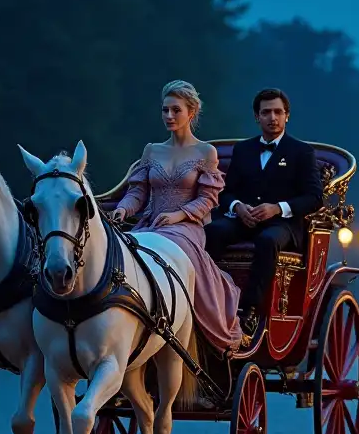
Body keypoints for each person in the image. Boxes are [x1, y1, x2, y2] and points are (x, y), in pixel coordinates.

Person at [107, 81, 243, 352]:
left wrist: (178, 215)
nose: (169, 116)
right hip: (150, 224)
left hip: (187, 227)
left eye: (176, 110)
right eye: (165, 110)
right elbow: (138, 193)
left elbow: (208, 199)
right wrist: (124, 208)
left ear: (191, 113)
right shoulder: (151, 150)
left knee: (171, 249)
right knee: (122, 250)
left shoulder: (205, 152)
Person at [204, 88, 323, 335]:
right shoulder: (243, 150)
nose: (273, 117)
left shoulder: (302, 152)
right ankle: (209, 299)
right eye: (266, 112)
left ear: (287, 115)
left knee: (267, 241)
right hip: (243, 219)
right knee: (212, 232)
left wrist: (277, 208)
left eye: (278, 112)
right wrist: (237, 207)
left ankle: (249, 310)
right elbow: (225, 193)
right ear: (257, 117)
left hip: (283, 225)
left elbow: (314, 197)